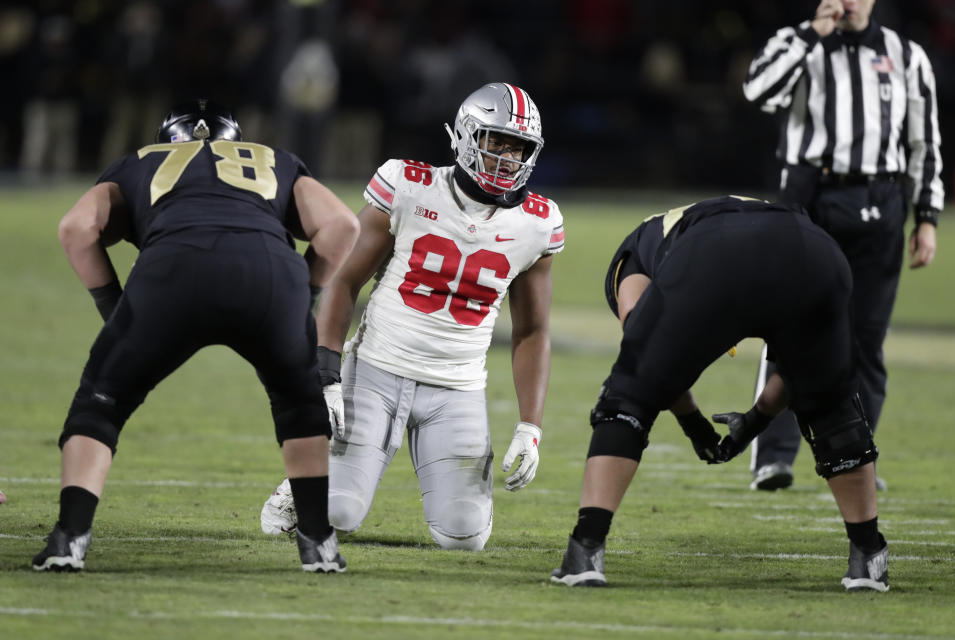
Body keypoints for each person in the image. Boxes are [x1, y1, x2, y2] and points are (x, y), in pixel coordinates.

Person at [32, 100, 360, 573]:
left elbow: (76, 228)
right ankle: (318, 543)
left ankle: (70, 538)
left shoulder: (140, 161)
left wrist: (114, 309)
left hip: (172, 270)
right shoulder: (272, 159)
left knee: (100, 403)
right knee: (299, 405)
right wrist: (300, 292)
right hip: (268, 273)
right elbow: (341, 226)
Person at [260, 82, 564, 550]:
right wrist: (326, 372)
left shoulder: (538, 223)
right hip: (377, 370)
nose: (507, 157)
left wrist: (531, 426)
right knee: (338, 512)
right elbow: (343, 280)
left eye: (519, 147)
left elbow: (532, 330)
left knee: (464, 538)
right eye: (496, 142)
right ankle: (298, 486)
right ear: (465, 136)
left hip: (457, 387)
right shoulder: (409, 186)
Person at [550, 196, 889, 592]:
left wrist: (694, 423)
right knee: (833, 407)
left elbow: (649, 365)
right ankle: (869, 558)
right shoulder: (753, 219)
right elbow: (797, 374)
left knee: (628, 394)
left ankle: (586, 550)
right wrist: (754, 422)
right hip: (812, 250)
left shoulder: (636, 252)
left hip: (710, 255)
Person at [741, 0, 943, 491]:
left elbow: (924, 141)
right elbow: (758, 91)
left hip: (882, 198)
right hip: (813, 195)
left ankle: (855, 457)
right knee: (793, 330)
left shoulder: (906, 54)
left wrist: (927, 217)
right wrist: (813, 32)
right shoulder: (798, 42)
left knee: (866, 342)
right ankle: (773, 455)